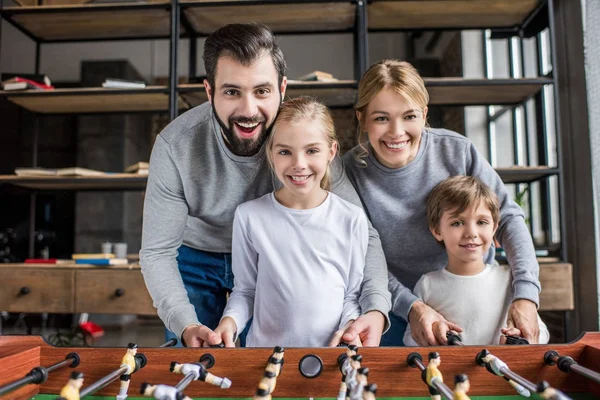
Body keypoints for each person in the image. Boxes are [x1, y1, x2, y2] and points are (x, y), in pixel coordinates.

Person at [139, 23, 391, 347]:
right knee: (195, 364)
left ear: (282, 89)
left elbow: (362, 234)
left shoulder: (300, 138)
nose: (248, 110)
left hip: (274, 254)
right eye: (232, 92)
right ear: (209, 91)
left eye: (262, 91)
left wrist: (376, 309)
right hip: (197, 253)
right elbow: (158, 252)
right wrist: (185, 325)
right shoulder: (175, 145)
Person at [343, 59, 542, 346]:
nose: (397, 132)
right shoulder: (348, 172)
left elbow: (508, 218)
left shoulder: (457, 151)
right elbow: (361, 255)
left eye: (409, 116)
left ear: (424, 115)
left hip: (471, 295)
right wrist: (412, 307)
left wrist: (525, 295)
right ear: (362, 118)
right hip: (393, 307)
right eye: (381, 118)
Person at [214, 97, 368, 347]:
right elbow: (246, 291)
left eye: (312, 151)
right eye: (285, 151)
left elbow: (351, 296)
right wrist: (229, 323)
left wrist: (351, 327)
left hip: (329, 360)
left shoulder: (351, 219)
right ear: (271, 154)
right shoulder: (250, 216)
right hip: (264, 357)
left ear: (331, 152)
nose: (299, 164)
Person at [402, 176, 549, 345]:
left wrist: (520, 338)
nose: (471, 233)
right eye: (457, 223)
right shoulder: (427, 284)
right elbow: (410, 338)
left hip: (504, 370)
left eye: (481, 222)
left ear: (494, 228)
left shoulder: (510, 279)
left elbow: (540, 332)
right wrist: (434, 334)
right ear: (437, 230)